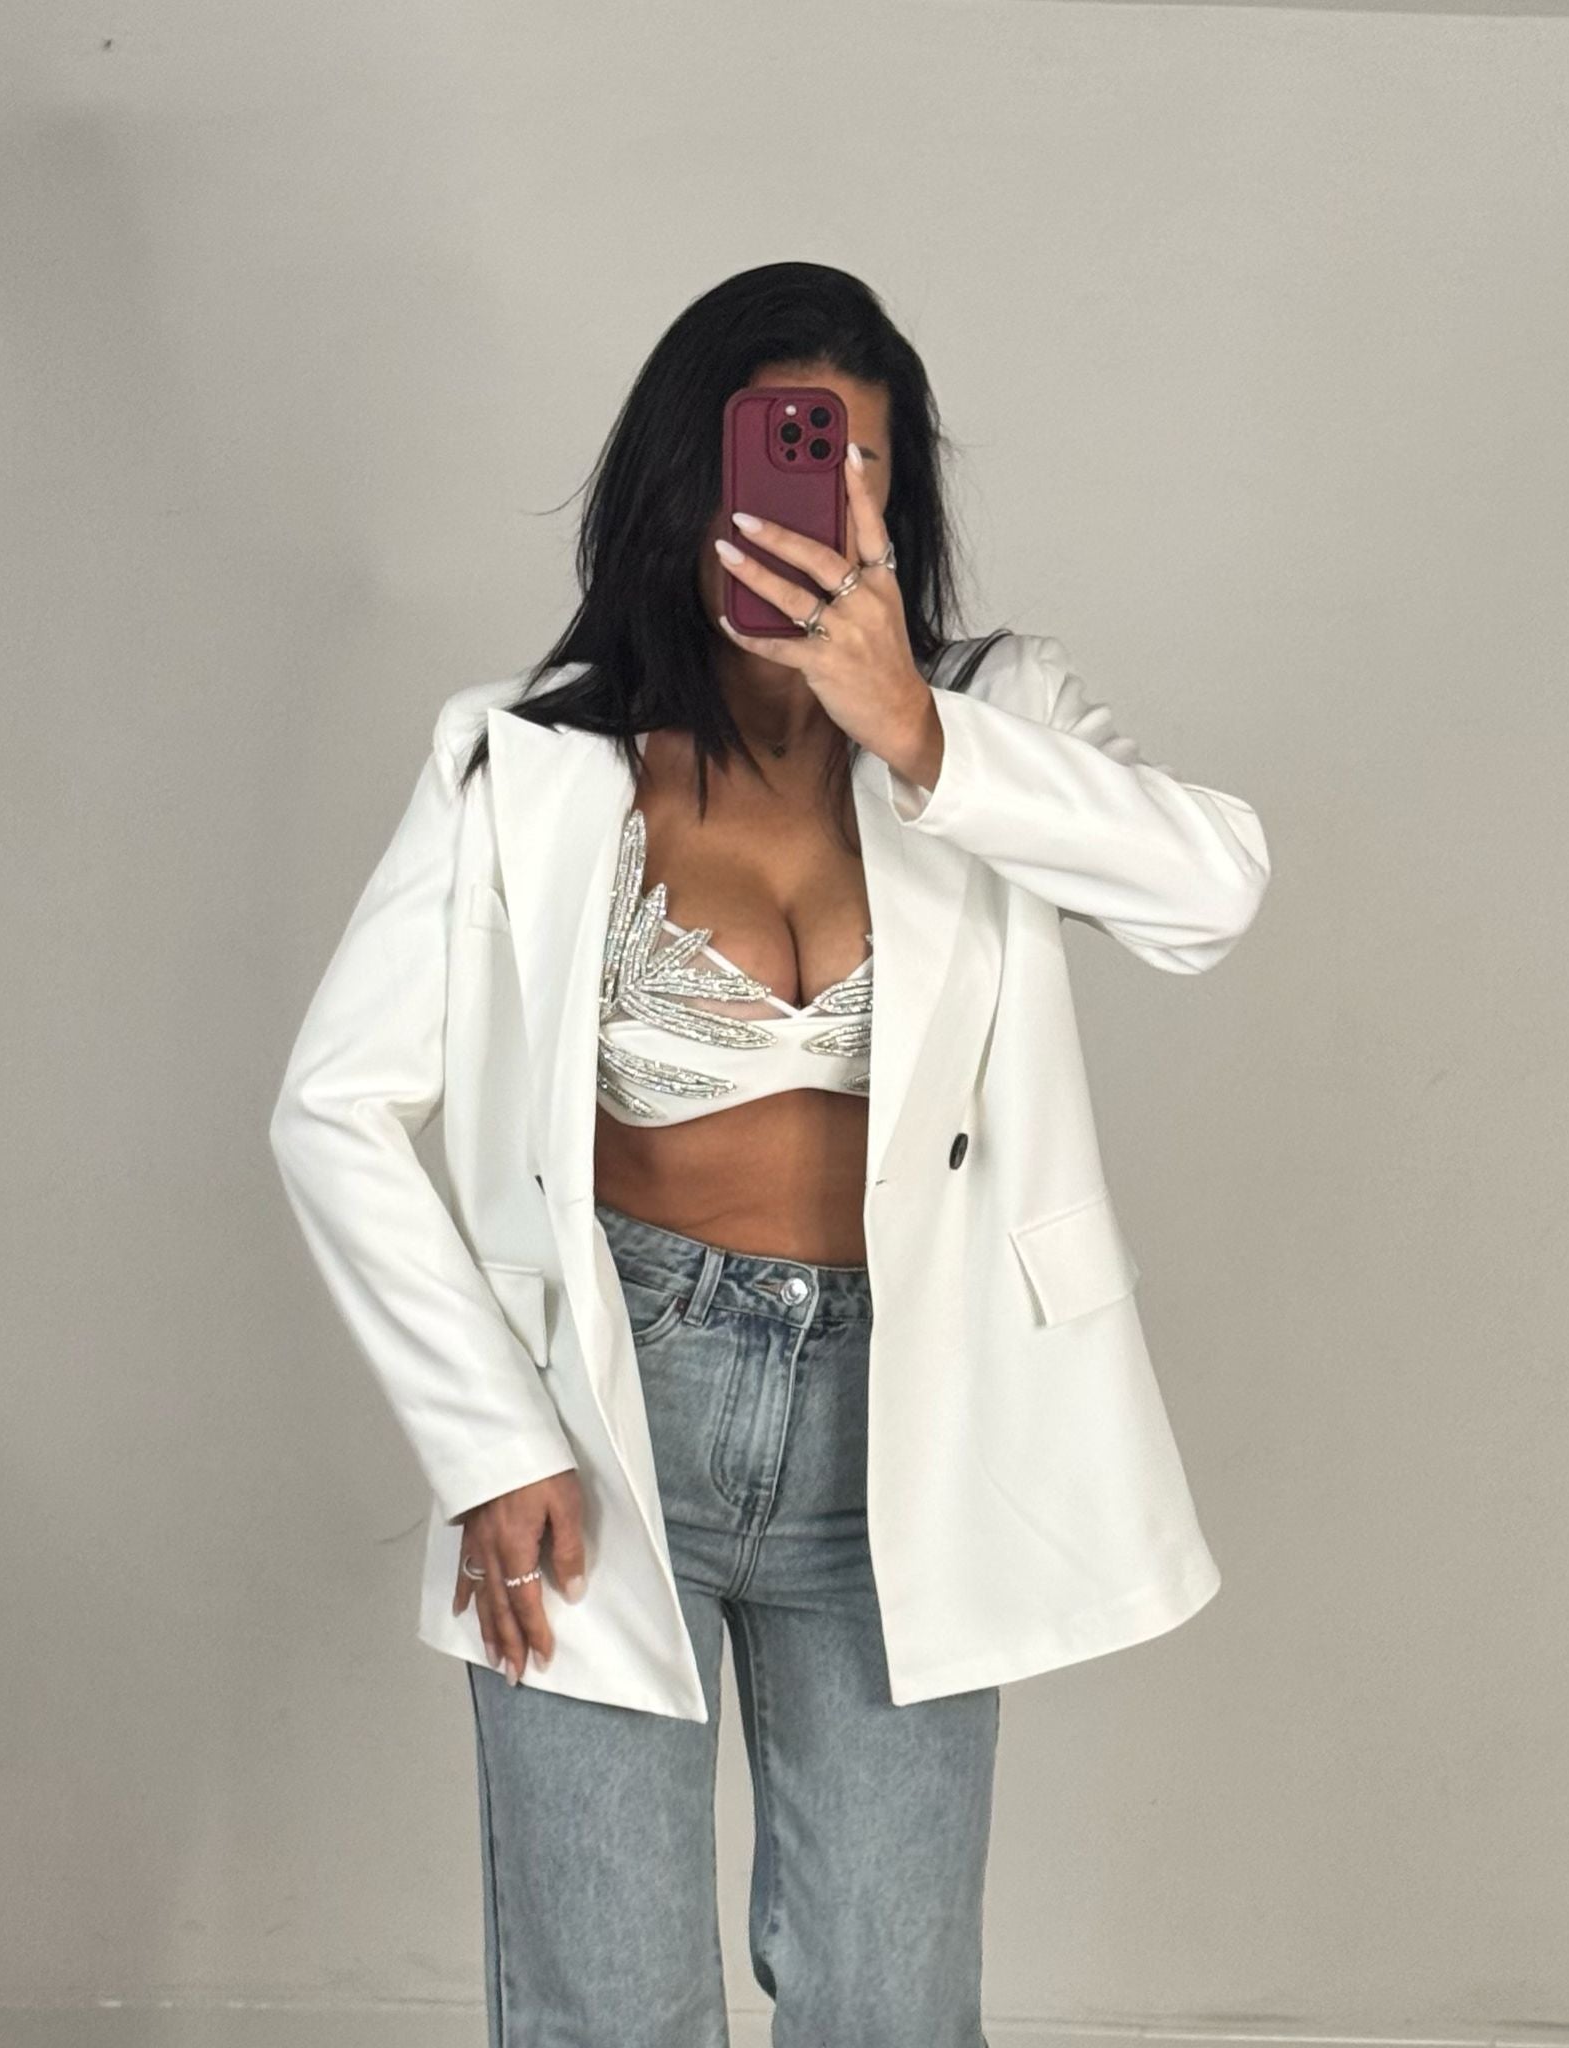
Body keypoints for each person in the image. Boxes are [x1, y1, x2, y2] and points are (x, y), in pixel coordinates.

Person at [268, 261, 1272, 2048]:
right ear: (690, 486)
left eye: (864, 467)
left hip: (906, 1424)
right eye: (794, 462)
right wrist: (490, 1441)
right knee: (607, 2006)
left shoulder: (999, 716)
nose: (829, 506)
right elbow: (332, 1106)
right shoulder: (530, 762)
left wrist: (917, 729)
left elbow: (1214, 893)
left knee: (893, 2003)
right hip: (606, 1417)